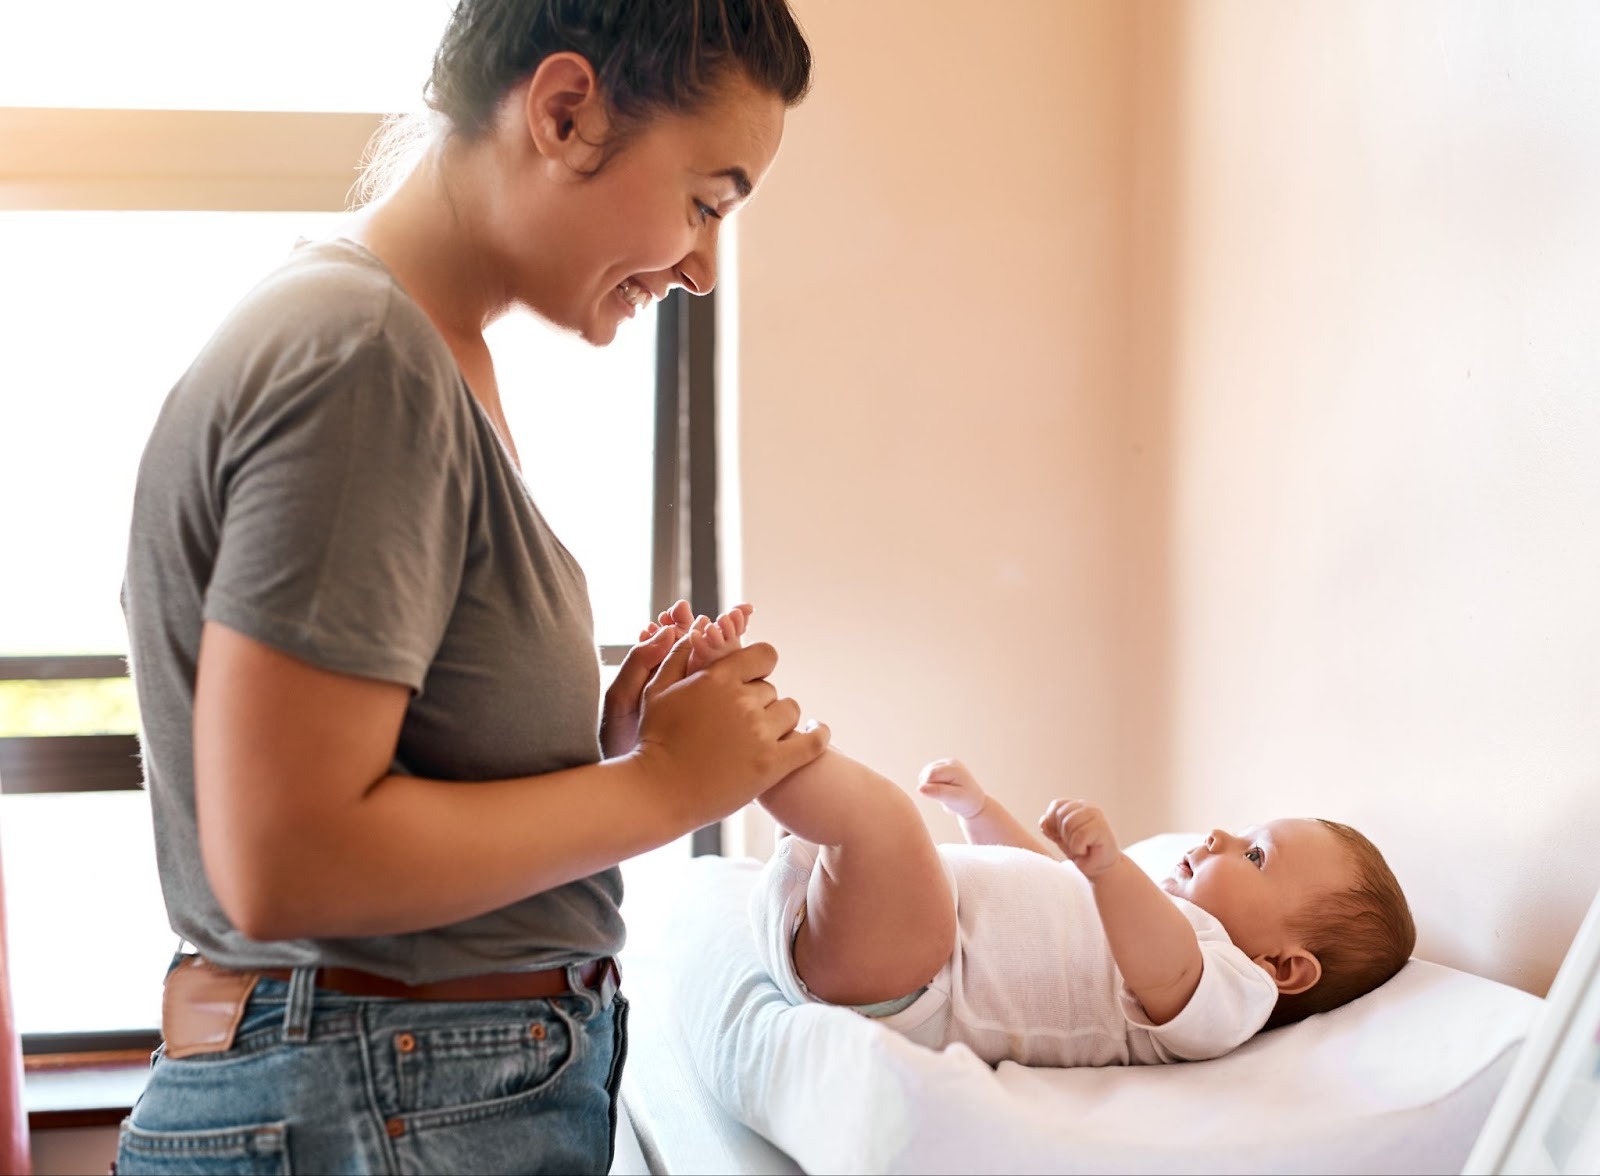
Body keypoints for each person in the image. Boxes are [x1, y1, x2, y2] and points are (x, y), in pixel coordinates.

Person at [116, 3, 828, 1173]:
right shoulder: (362, 352)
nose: (704, 267)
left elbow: (374, 790)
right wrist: (663, 787)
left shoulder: (418, 350)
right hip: (378, 1092)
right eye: (707, 200)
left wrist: (600, 754)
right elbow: (286, 856)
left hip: (392, 1089)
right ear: (562, 111)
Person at [665, 608, 1417, 1067]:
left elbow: (1163, 966)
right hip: (872, 945)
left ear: (1286, 966)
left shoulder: (1229, 989)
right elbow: (1032, 878)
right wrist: (981, 810)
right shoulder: (1142, 912)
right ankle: (711, 730)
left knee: (881, 822)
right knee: (866, 832)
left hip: (917, 983)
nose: (1220, 835)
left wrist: (1112, 869)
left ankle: (729, 733)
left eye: (1255, 854)